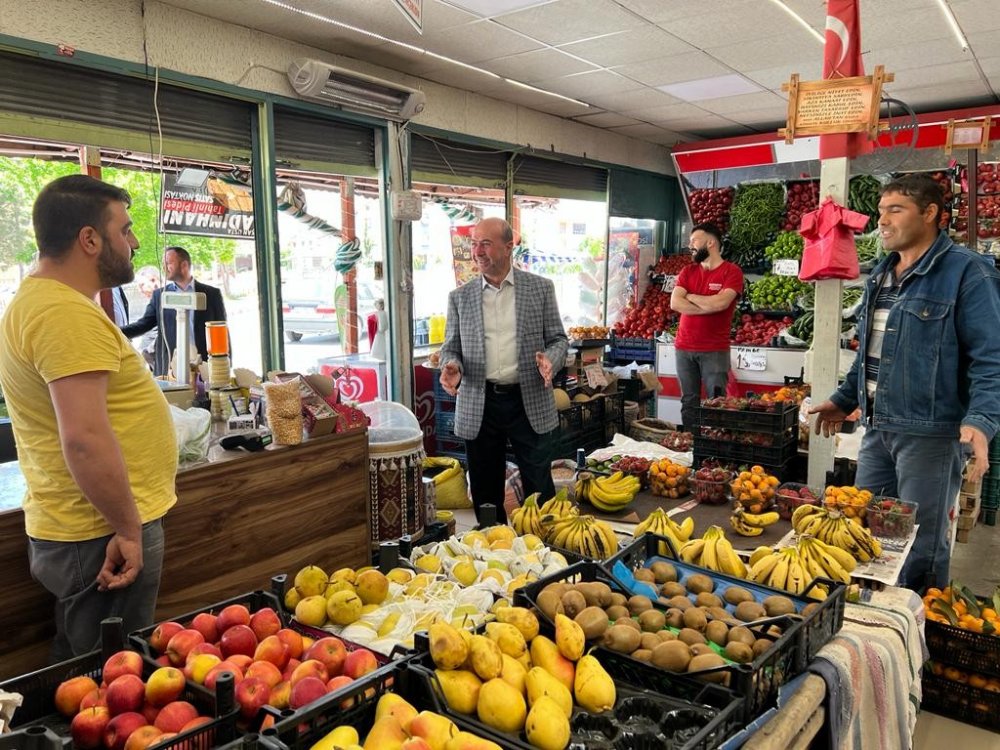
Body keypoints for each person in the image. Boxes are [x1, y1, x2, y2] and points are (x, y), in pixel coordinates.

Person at [0, 174, 177, 660]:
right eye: (126, 229)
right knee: (109, 684)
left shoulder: (42, 302)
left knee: (86, 673)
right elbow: (84, 439)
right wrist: (126, 528)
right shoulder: (64, 315)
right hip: (98, 534)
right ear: (89, 239)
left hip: (84, 528)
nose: (135, 242)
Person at [810, 174, 1000, 591]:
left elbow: (991, 357)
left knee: (921, 543)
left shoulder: (968, 273)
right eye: (880, 211)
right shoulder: (882, 273)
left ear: (930, 214)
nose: (883, 220)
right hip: (877, 427)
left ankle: (918, 631)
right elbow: (871, 352)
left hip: (929, 433)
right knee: (866, 531)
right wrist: (844, 398)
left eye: (895, 210)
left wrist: (982, 420)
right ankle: (874, 621)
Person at [439, 217, 568, 524]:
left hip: (528, 399)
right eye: (473, 244)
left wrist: (551, 359)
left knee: (539, 482)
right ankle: (491, 546)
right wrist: (452, 365)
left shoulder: (540, 289)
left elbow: (559, 339)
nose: (477, 252)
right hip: (479, 402)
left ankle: (545, 548)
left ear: (509, 247)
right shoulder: (460, 297)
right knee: (485, 488)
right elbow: (450, 346)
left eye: (485, 243)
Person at [669, 223, 743, 430]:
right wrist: (708, 305)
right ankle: (692, 446)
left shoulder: (732, 272)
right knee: (689, 402)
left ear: (710, 242)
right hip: (684, 348)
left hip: (714, 350)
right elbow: (675, 303)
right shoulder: (688, 271)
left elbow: (721, 303)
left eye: (694, 240)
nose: (690, 245)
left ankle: (715, 448)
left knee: (717, 403)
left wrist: (691, 297)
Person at [122, 246, 227, 376]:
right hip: (170, 368)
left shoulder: (211, 294)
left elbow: (222, 331)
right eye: (163, 264)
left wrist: (225, 366)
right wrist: (115, 331)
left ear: (184, 265)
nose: (164, 268)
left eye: (168, 263)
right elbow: (144, 324)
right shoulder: (160, 296)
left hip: (204, 367)